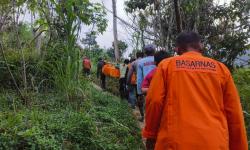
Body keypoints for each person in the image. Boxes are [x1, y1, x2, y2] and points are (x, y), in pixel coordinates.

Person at [143, 31, 248, 150]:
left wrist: (151, 135)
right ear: (201, 46)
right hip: (214, 142)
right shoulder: (221, 70)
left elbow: (155, 101)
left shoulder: (166, 66)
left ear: (177, 49)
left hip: (175, 142)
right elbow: (234, 114)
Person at [137, 45, 156, 121]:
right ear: (154, 51)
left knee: (148, 106)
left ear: (145, 52)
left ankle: (147, 121)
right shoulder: (158, 59)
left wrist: (139, 92)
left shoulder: (141, 62)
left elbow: (139, 78)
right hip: (159, 86)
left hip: (146, 88)